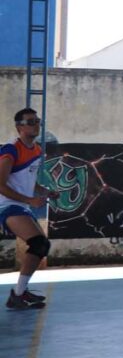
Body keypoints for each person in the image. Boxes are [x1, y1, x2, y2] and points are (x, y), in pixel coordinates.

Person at [0, 108, 56, 309]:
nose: (35, 125)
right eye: (30, 121)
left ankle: (20, 293)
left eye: (37, 121)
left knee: (41, 246)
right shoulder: (10, 150)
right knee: (39, 244)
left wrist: (44, 191)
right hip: (7, 206)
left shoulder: (37, 150)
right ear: (19, 127)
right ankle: (17, 294)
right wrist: (29, 200)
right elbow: (1, 185)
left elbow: (28, 181)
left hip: (20, 205)